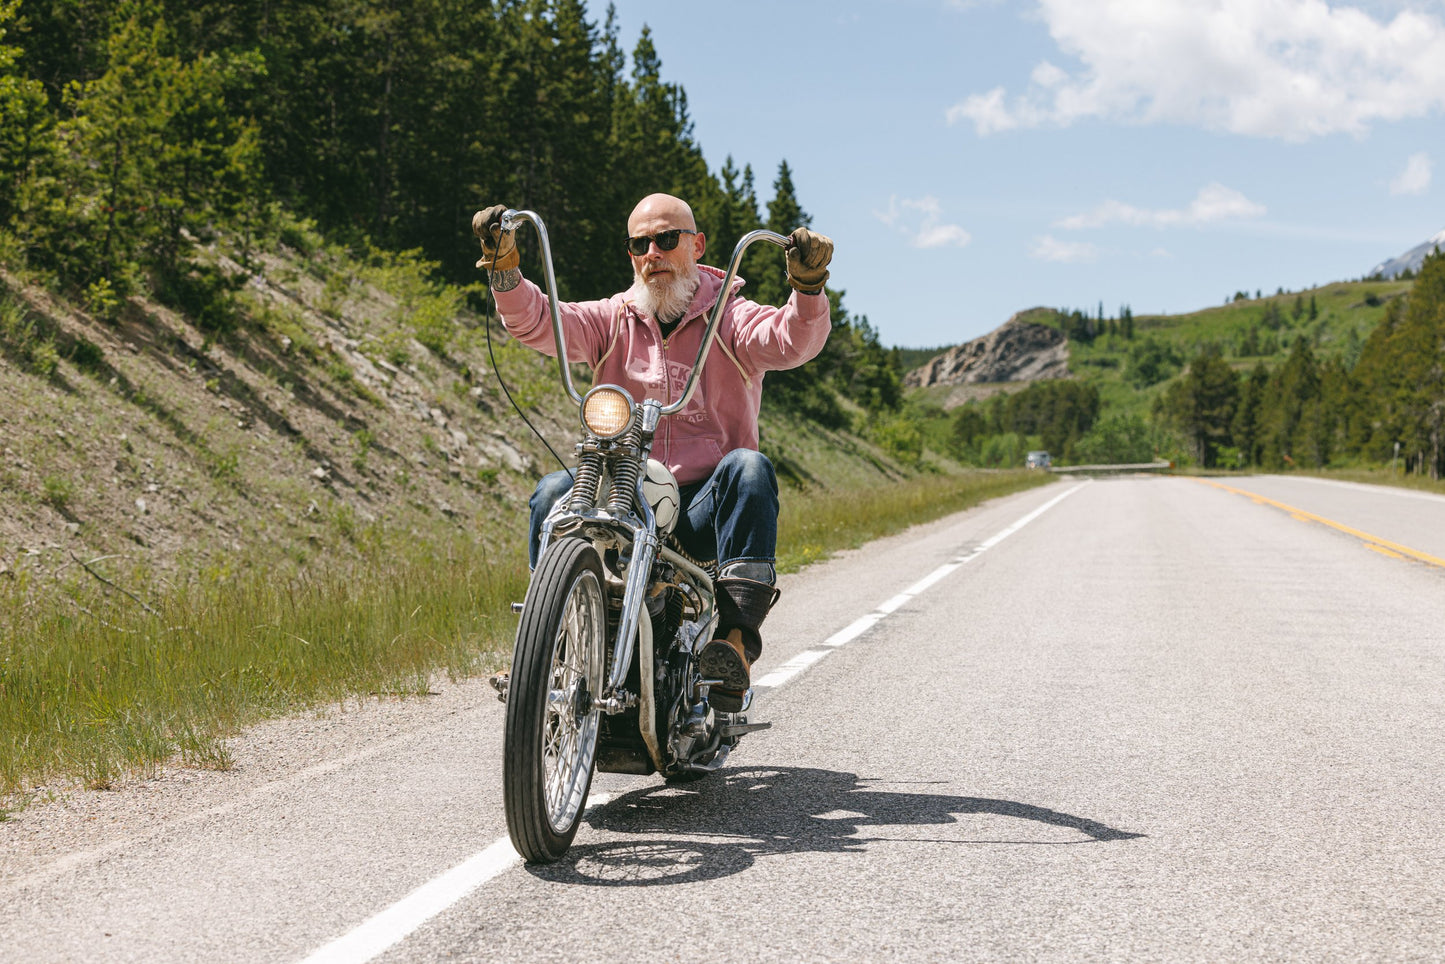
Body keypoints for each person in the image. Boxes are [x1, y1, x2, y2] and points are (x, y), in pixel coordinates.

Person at [473, 193, 834, 711]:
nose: (653, 254)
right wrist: (505, 269)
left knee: (749, 468)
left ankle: (732, 645)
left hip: (704, 507)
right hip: (627, 495)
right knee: (553, 491)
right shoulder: (612, 318)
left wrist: (807, 288)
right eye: (640, 244)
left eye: (667, 240)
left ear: (697, 245)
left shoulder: (730, 317)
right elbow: (539, 321)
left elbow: (791, 340)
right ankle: (546, 643)